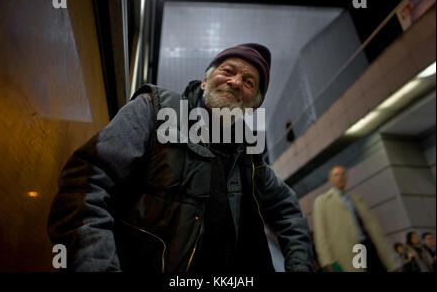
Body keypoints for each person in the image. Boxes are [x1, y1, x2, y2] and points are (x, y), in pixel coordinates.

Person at [47, 43, 313, 272]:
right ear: (205, 82)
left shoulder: (251, 158)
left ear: (253, 106)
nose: (235, 83)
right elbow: (84, 187)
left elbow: (288, 210)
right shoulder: (155, 108)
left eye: (248, 82)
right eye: (227, 71)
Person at [313, 165, 399, 272]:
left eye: (343, 174)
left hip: (369, 247)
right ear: (330, 179)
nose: (340, 177)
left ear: (346, 177)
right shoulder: (322, 201)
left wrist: (391, 259)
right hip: (347, 253)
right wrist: (326, 261)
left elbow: (375, 229)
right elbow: (321, 235)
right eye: (336, 175)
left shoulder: (357, 200)